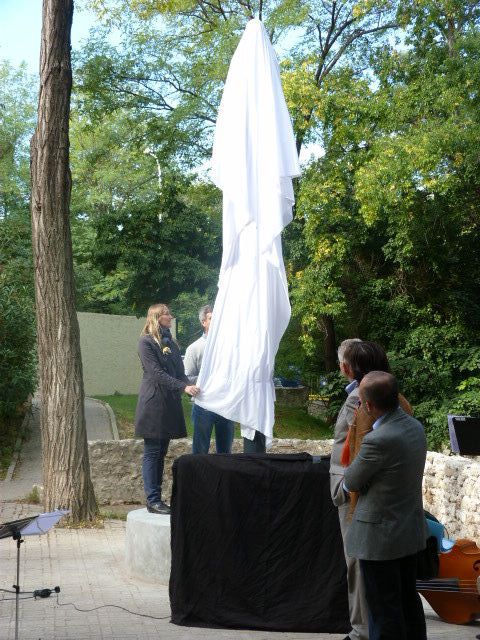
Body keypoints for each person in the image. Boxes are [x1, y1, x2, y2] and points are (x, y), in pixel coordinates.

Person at [344, 371, 427, 640]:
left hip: (380, 538)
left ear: (368, 406)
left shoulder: (378, 439)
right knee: (408, 603)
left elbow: (352, 480)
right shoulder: (414, 427)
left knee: (383, 610)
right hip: (408, 531)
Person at [135, 303, 199, 514]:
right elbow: (156, 374)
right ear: (156, 318)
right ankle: (152, 499)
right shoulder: (146, 342)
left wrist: (193, 385)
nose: (170, 317)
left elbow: (180, 373)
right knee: (152, 452)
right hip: (153, 404)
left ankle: (157, 499)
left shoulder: (171, 343)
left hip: (168, 403)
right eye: (166, 315)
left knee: (161, 452)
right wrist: (183, 387)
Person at [184, 305, 234, 454]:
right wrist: (211, 379)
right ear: (203, 322)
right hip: (203, 406)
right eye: (212, 318)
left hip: (226, 405)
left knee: (225, 453)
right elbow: (187, 378)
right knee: (200, 452)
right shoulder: (194, 348)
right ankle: (199, 478)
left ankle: (224, 478)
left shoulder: (230, 347)